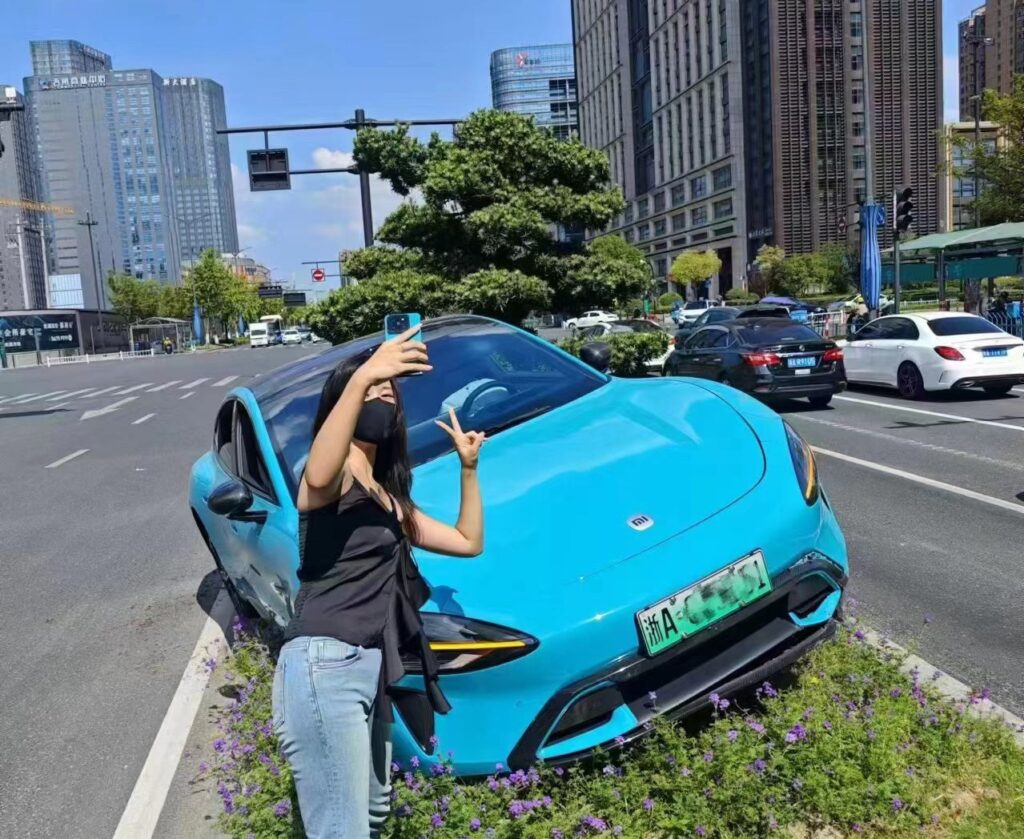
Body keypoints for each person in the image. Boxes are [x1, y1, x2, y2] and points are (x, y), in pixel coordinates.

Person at [273, 326, 486, 839]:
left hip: (364, 667)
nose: (383, 399)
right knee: (341, 830)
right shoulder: (334, 474)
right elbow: (319, 478)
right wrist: (365, 372)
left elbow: (466, 541)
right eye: (374, 390)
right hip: (324, 663)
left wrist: (469, 468)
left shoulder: (389, 499)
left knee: (369, 814)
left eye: (390, 394)